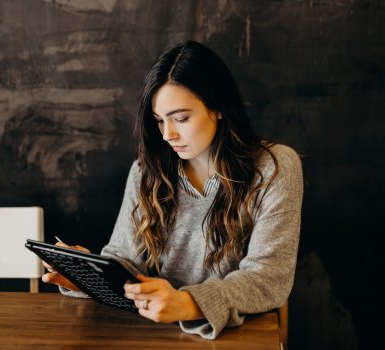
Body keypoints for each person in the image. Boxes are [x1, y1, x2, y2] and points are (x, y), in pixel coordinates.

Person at [42, 40, 303, 340]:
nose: (168, 134)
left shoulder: (275, 168)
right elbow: (127, 262)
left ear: (218, 107)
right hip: (155, 336)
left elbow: (268, 277)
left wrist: (187, 303)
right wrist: (88, 276)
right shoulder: (146, 171)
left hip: (238, 338)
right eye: (159, 121)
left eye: (181, 118)